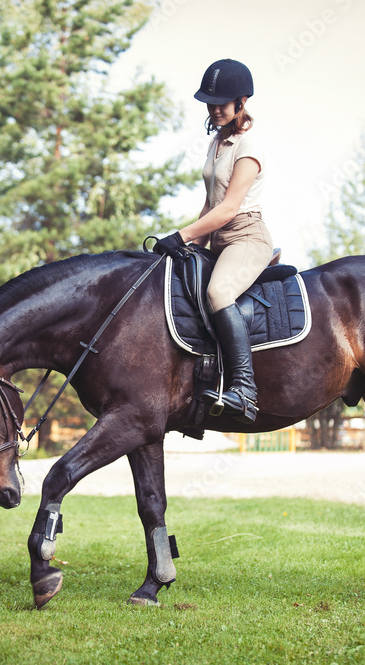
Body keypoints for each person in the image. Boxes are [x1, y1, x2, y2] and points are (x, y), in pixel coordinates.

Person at [152, 58, 274, 424]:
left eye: (222, 101)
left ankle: (245, 390)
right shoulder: (217, 144)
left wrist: (180, 235)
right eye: (210, 101)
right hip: (218, 239)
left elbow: (230, 208)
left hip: (247, 236)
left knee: (218, 294)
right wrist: (190, 249)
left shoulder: (248, 145)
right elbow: (209, 204)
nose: (215, 108)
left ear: (242, 101)